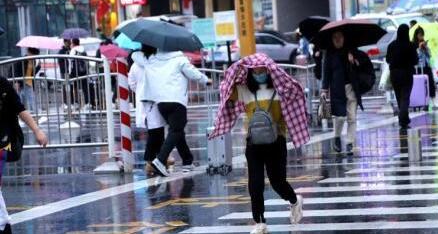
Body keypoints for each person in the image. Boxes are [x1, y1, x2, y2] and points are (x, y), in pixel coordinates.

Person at [210, 54, 309, 234]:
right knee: (255, 183)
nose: (259, 73)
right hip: (253, 142)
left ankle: (295, 200)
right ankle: (259, 222)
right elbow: (224, 90)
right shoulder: (245, 90)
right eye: (255, 71)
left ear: (270, 71)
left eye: (263, 70)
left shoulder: (281, 88)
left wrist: (282, 75)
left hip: (276, 141)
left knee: (277, 182)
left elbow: (297, 90)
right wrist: (234, 70)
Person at [132, 46, 212, 176]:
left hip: (161, 102)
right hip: (176, 100)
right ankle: (160, 160)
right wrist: (206, 80)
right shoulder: (179, 59)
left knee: (177, 130)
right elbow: (193, 73)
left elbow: (135, 56)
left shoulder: (153, 59)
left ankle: (187, 161)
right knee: (176, 130)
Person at [0, 76, 48, 234]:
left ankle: (3, 223)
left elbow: (20, 109)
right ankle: (3, 222)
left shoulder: (2, 84)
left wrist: (37, 130)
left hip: (4, 141)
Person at [321, 31, 371, 154]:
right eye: (335, 37)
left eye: (340, 37)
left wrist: (354, 61)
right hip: (337, 90)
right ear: (332, 40)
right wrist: (324, 89)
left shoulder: (352, 51)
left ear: (344, 38)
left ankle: (349, 142)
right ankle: (337, 137)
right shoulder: (330, 53)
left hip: (352, 88)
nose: (337, 40)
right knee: (340, 117)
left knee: (352, 118)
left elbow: (364, 65)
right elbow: (326, 72)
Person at [128, 46, 168, 175]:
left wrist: (139, 92)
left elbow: (132, 83)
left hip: (143, 101)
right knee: (157, 132)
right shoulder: (156, 63)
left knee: (154, 131)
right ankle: (151, 160)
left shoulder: (135, 65)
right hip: (156, 100)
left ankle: (159, 160)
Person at [386, 24, 419, 129]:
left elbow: (387, 60)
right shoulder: (410, 45)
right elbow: (415, 61)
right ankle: (402, 117)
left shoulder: (391, 45)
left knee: (399, 96)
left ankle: (403, 118)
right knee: (405, 96)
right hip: (407, 73)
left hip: (394, 74)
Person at [412, 26, 437, 109]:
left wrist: (426, 48)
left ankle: (433, 101)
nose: (421, 37)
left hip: (426, 66)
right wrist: (419, 48)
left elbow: (429, 56)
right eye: (420, 35)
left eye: (422, 35)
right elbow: (414, 57)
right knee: (420, 85)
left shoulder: (424, 43)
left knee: (430, 83)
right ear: (416, 35)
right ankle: (421, 102)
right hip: (418, 68)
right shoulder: (413, 44)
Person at [13, 48, 40, 113]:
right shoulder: (22, 60)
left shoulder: (33, 61)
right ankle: (20, 114)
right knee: (21, 100)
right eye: (33, 54)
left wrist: (38, 67)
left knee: (31, 100)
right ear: (29, 52)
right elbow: (16, 70)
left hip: (29, 83)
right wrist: (17, 82)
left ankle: (34, 114)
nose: (34, 56)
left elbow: (32, 74)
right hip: (21, 83)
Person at [69, 38, 90, 110]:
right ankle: (87, 103)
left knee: (75, 87)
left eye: (71, 43)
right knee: (85, 88)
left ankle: (77, 103)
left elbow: (70, 62)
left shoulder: (73, 50)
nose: (70, 45)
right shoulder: (83, 50)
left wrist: (70, 73)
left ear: (73, 43)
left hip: (75, 72)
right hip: (84, 72)